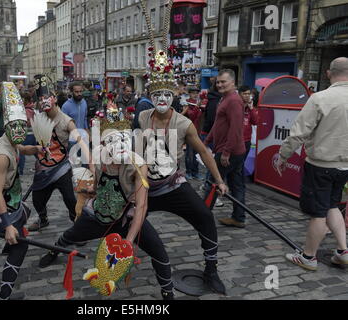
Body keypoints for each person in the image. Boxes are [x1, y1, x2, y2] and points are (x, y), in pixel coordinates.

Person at [38, 113, 175, 300]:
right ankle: (55, 250)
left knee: (159, 252)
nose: (119, 144)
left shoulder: (138, 165)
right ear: (103, 143)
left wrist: (129, 240)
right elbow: (96, 182)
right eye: (112, 140)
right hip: (98, 214)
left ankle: (167, 292)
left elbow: (142, 206)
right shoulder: (100, 158)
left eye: (124, 138)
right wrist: (88, 192)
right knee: (69, 235)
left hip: (126, 217)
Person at [134, 43, 229, 295]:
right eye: (157, 95)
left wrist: (218, 180)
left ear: (173, 95)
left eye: (167, 94)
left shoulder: (185, 123)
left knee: (205, 217)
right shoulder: (143, 117)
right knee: (125, 219)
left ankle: (212, 269)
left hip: (173, 184)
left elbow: (204, 153)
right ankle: (118, 260)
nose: (162, 99)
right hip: (146, 186)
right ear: (150, 96)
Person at [275, 57, 348, 270]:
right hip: (345, 166)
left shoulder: (320, 98)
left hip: (321, 165)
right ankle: (343, 251)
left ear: (328, 73)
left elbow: (299, 133)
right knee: (333, 204)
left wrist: (283, 155)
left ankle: (308, 257)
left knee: (318, 213)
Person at [0, 82, 42, 300]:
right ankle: (4, 296)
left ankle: (10, 244)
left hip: (14, 202)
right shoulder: (1, 156)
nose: (19, 131)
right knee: (20, 246)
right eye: (14, 127)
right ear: (6, 127)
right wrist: (7, 226)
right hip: (2, 206)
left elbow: (21, 147)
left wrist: (34, 149)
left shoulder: (11, 140)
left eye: (22, 126)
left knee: (25, 211)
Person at [27, 85, 94, 232]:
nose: (44, 102)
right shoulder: (40, 118)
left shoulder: (66, 121)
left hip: (61, 167)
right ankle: (42, 219)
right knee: (37, 198)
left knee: (70, 199)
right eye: (41, 100)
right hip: (43, 166)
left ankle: (78, 225)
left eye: (46, 99)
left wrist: (90, 161)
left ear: (55, 99)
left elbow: (80, 141)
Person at [204, 69, 247, 229]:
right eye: (218, 82)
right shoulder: (225, 99)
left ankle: (203, 217)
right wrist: (207, 140)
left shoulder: (234, 100)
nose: (220, 84)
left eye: (223, 82)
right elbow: (218, 123)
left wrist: (226, 152)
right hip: (230, 150)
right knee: (237, 185)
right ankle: (238, 218)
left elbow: (236, 129)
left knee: (213, 183)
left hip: (229, 151)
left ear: (233, 83)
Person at [61, 82, 89, 152]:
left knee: (84, 161)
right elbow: (62, 125)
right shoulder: (66, 106)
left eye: (80, 91)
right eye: (76, 92)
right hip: (72, 140)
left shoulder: (84, 103)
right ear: (71, 92)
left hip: (83, 138)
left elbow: (85, 118)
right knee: (73, 161)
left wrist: (87, 130)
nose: (79, 94)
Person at [183, 87, 203, 180]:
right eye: (193, 93)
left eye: (197, 93)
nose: (195, 95)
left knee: (196, 153)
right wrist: (197, 107)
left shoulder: (198, 104)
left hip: (198, 132)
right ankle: (188, 172)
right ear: (189, 94)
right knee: (189, 154)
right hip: (189, 132)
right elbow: (191, 116)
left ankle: (196, 172)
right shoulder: (186, 103)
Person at [17, 92, 36, 175]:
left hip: (27, 134)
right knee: (35, 151)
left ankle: (19, 171)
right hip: (32, 134)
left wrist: (21, 120)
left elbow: (29, 122)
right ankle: (45, 165)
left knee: (21, 151)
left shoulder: (27, 110)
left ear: (26, 100)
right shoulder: (31, 108)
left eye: (22, 99)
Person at [239, 85, 258, 162]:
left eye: (248, 94)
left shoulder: (250, 108)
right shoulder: (236, 106)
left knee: (242, 163)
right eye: (244, 94)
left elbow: (255, 121)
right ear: (240, 94)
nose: (247, 96)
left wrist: (251, 108)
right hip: (238, 140)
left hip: (247, 141)